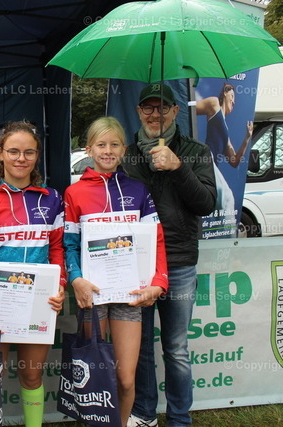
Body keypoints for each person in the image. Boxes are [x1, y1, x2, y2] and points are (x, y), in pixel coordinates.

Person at [63, 116, 168, 427]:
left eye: (114, 145)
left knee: (125, 378)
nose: (107, 151)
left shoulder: (139, 189)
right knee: (96, 375)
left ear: (124, 149)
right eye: (101, 144)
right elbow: (69, 244)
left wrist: (159, 282)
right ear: (89, 149)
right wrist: (76, 278)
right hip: (92, 294)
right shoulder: (74, 193)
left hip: (129, 294)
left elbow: (157, 239)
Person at [122, 83, 216, 427]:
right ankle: (145, 413)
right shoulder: (126, 155)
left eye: (162, 107)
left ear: (175, 111)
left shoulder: (196, 151)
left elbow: (206, 204)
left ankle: (179, 418)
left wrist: (178, 167)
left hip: (178, 263)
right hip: (137, 265)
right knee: (142, 346)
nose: (155, 114)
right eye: (148, 108)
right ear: (138, 112)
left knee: (176, 348)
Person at [0, 121, 66, 427]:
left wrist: (60, 285)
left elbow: (57, 249)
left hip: (38, 303)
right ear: (0, 153)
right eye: (13, 151)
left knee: (32, 375)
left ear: (37, 156)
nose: (21, 158)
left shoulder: (52, 199)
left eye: (29, 152)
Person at [196, 82, 253, 217]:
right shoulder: (214, 104)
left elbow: (234, 161)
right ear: (225, 93)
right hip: (207, 161)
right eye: (232, 96)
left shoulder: (225, 134)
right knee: (227, 199)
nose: (234, 101)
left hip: (212, 171)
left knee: (219, 203)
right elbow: (188, 107)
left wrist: (247, 138)